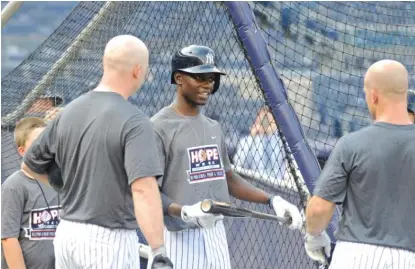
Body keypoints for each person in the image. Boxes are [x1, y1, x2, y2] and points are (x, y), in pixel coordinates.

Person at [21, 35, 172, 269]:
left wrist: (68, 186)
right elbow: (143, 189)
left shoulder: (69, 112)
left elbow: (29, 167)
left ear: (105, 64)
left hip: (67, 233)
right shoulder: (134, 120)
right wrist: (158, 250)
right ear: (137, 70)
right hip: (108, 240)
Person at [151, 45, 303, 269]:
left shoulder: (214, 127)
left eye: (211, 78)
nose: (207, 84)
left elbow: (229, 178)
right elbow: (148, 193)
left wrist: (272, 200)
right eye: (200, 77)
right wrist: (183, 211)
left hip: (216, 235)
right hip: (180, 238)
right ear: (179, 78)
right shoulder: (157, 127)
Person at [305, 60, 415, 268]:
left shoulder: (351, 143)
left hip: (355, 256)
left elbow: (318, 210)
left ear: (373, 95)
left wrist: (313, 235)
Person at [1, 117, 61, 269]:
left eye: (47, 142)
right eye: (37, 142)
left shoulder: (60, 182)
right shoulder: (15, 185)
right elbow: (8, 239)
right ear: (22, 151)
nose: (44, 147)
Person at [233, 106, 286, 181]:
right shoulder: (247, 141)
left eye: (269, 119)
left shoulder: (282, 142)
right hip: (256, 183)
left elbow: (290, 167)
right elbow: (239, 165)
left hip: (278, 185)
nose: (266, 122)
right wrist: (252, 138)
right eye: (263, 119)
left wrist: (273, 131)